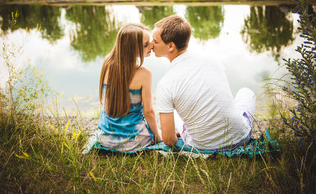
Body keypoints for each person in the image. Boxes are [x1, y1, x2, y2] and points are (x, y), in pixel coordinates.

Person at [151, 15, 255, 150]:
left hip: (203, 147)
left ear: (171, 46)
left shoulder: (165, 84)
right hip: (240, 139)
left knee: (175, 112)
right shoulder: (211, 59)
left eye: (155, 41)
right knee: (246, 92)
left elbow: (169, 140)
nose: (151, 44)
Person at [96, 23, 162, 151]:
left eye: (150, 41)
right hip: (135, 142)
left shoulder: (107, 63)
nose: (151, 45)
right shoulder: (144, 74)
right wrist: (158, 137)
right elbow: (148, 112)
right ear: (131, 49)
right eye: (145, 44)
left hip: (106, 140)